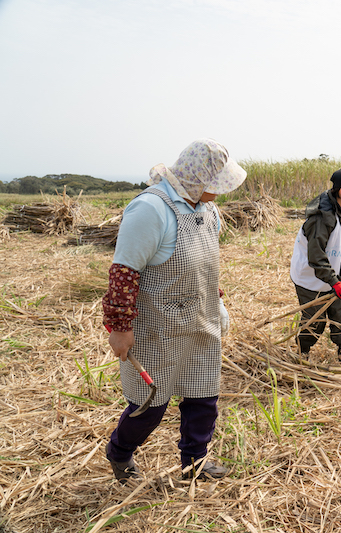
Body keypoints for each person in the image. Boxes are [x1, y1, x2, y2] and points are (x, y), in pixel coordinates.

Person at [103, 139, 247, 483]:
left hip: (200, 319)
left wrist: (219, 300)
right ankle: (120, 452)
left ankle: (195, 463)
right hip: (158, 325)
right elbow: (124, 272)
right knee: (150, 406)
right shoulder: (151, 209)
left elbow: (203, 266)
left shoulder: (206, 211)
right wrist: (120, 327)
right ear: (198, 179)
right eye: (216, 184)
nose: (220, 192)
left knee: (203, 398)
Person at [290, 168, 341, 359]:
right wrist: (334, 282)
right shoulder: (321, 217)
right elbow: (316, 257)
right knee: (314, 320)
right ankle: (303, 352)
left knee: (339, 312)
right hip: (309, 276)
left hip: (330, 274)